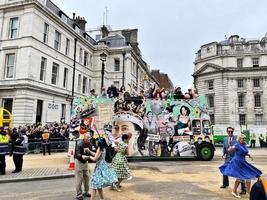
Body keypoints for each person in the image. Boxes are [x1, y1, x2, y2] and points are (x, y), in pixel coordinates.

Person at [219, 134, 262, 198]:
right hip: (237, 162)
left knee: (248, 177)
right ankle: (234, 191)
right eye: (242, 138)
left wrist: (249, 155)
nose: (244, 140)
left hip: (243, 162)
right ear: (239, 139)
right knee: (239, 178)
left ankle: (248, 191)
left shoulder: (244, 145)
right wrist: (230, 148)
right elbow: (232, 148)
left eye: (244, 138)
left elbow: (244, 152)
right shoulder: (237, 145)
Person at [220, 127, 246, 194]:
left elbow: (241, 146)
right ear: (227, 132)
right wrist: (223, 154)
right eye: (229, 131)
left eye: (231, 131)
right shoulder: (225, 139)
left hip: (235, 158)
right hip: (228, 158)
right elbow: (224, 148)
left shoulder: (236, 139)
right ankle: (225, 184)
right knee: (225, 170)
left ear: (233, 132)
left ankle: (243, 189)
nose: (230, 133)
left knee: (239, 173)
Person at [74, 133, 93, 200]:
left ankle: (86, 191)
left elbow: (91, 152)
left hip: (85, 162)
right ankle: (79, 194)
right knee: (79, 179)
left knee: (87, 177)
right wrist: (82, 156)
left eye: (89, 137)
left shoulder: (90, 144)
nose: (89, 139)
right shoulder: (80, 144)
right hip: (79, 162)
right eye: (87, 137)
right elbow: (76, 154)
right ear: (84, 138)